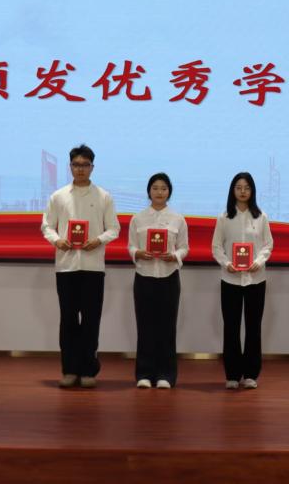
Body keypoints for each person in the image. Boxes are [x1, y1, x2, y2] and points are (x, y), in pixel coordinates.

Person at [40, 145, 120, 389]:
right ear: (70, 167)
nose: (81, 169)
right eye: (76, 165)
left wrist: (98, 240)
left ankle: (87, 370)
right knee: (68, 320)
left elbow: (114, 229)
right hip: (66, 267)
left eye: (85, 165)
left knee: (91, 320)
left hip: (93, 266)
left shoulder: (103, 196)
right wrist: (57, 240)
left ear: (92, 167)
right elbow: (47, 226)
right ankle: (69, 370)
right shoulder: (58, 196)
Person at [211, 172, 274, 389]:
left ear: (252, 191)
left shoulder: (261, 217)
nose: (243, 191)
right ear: (232, 191)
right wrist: (226, 263)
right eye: (238, 187)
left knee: (253, 327)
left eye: (247, 187)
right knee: (231, 327)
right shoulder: (224, 217)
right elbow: (216, 246)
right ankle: (232, 374)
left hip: (256, 279)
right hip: (230, 279)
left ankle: (251, 374)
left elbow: (268, 245)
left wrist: (259, 261)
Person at [127, 173, 188, 389]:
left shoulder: (178, 219)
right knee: (145, 327)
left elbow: (184, 247)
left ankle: (166, 375)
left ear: (169, 192)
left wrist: (175, 256)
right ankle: (144, 374)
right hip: (144, 276)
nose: (159, 192)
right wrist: (138, 253)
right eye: (155, 188)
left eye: (163, 188)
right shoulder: (138, 218)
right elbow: (131, 246)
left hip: (169, 277)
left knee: (167, 327)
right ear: (149, 191)